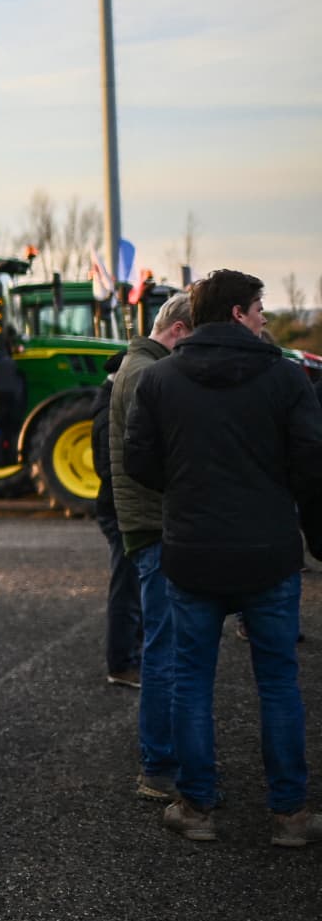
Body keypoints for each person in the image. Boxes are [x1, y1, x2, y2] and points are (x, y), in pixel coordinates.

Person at [124, 270, 322, 846]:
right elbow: (311, 460)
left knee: (192, 681)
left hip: (191, 550)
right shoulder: (284, 377)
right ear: (237, 312)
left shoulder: (160, 380)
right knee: (279, 683)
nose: (264, 315)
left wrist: (189, 489)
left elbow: (141, 463)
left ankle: (198, 808)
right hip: (269, 552)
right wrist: (272, 493)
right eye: (259, 306)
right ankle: (289, 816)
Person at [107, 293, 191, 801]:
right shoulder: (144, 374)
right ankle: (159, 765)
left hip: (151, 522)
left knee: (167, 645)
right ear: (179, 331)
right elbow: (157, 454)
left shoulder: (139, 366)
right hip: (155, 525)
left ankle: (164, 758)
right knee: (165, 649)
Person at [89, 349, 136, 689]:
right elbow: (110, 468)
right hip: (118, 508)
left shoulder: (109, 402)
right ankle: (121, 663)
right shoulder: (109, 412)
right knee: (127, 585)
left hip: (120, 506)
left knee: (133, 583)